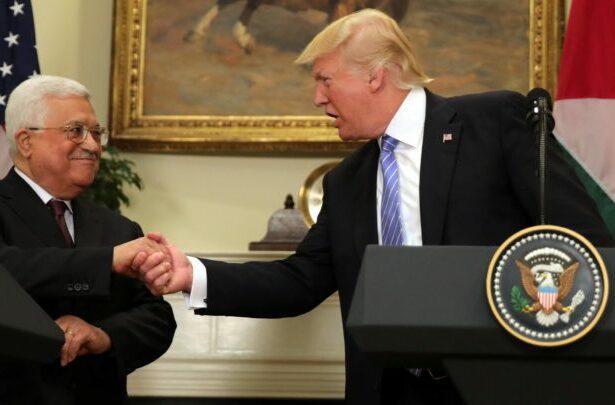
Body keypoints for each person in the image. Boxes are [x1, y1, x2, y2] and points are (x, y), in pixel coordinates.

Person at [136, 9, 613, 405]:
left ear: (375, 76)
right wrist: (192, 274)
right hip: (391, 391)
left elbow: (585, 242)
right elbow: (299, 282)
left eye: (325, 80)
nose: (317, 98)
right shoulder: (346, 181)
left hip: (499, 384)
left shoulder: (491, 122)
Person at [0, 75, 176, 404]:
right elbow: (9, 269)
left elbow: (157, 319)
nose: (93, 146)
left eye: (96, 133)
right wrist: (107, 261)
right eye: (76, 131)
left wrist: (103, 335)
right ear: (25, 141)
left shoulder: (119, 228)